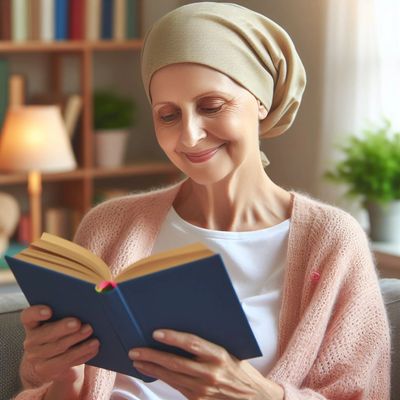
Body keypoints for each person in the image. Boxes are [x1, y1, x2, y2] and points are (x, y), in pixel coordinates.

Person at [15, 3, 390, 400]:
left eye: (211, 106)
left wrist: (259, 394)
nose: (189, 136)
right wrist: (61, 378)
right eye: (168, 115)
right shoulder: (109, 225)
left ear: (261, 101)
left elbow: (362, 392)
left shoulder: (331, 240)